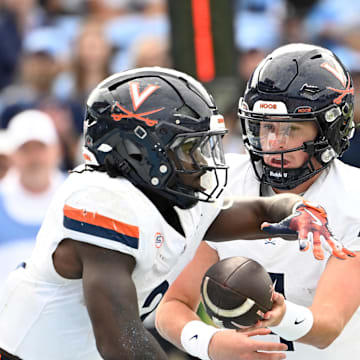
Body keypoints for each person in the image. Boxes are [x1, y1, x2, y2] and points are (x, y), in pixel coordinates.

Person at [0, 67, 351, 360]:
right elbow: (124, 344)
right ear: (139, 153)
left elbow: (257, 211)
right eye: (189, 149)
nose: (202, 161)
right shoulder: (102, 203)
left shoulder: (167, 196)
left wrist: (298, 210)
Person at [155, 44, 360, 360]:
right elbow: (172, 307)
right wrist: (211, 343)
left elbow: (329, 326)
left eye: (291, 128)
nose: (275, 142)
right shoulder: (224, 182)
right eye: (267, 127)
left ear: (330, 128)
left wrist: (279, 315)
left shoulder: (352, 198)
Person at [0, 109, 65, 285]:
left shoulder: (78, 196)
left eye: (40, 147)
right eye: (25, 149)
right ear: (12, 154)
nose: (34, 158)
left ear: (56, 150)